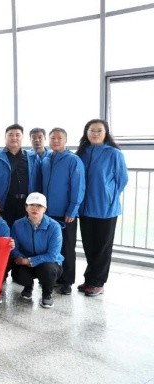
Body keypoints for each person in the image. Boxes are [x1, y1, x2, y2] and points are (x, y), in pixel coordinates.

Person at [76, 119, 128, 297]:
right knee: (89, 246)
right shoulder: (81, 153)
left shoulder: (114, 153)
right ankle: (90, 279)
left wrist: (109, 195)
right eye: (92, 130)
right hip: (85, 208)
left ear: (106, 133)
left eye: (99, 130)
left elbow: (122, 179)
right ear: (86, 132)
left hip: (106, 209)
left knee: (102, 248)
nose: (95, 134)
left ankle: (98, 283)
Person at [41, 127, 85, 295]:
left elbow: (78, 186)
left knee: (67, 247)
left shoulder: (73, 160)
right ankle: (53, 278)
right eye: (52, 138)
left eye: (59, 138)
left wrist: (72, 209)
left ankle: (67, 281)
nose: (56, 141)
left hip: (65, 213)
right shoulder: (46, 159)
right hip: (47, 213)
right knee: (51, 247)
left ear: (66, 140)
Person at [10, 192, 63, 309]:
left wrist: (29, 261)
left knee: (48, 269)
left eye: (39, 206)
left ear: (45, 209)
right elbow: (14, 248)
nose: (35, 208)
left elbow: (53, 255)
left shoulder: (54, 227)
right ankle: (28, 287)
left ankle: (47, 294)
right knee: (18, 273)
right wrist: (20, 258)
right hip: (25, 261)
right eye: (32, 205)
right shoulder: (18, 224)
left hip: (47, 263)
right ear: (26, 207)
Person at [0, 124, 41, 228]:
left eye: (17, 135)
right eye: (10, 135)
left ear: (22, 137)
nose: (14, 138)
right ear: (5, 137)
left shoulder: (32, 157)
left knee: (24, 233)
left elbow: (38, 182)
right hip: (4, 204)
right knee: (4, 233)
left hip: (27, 204)